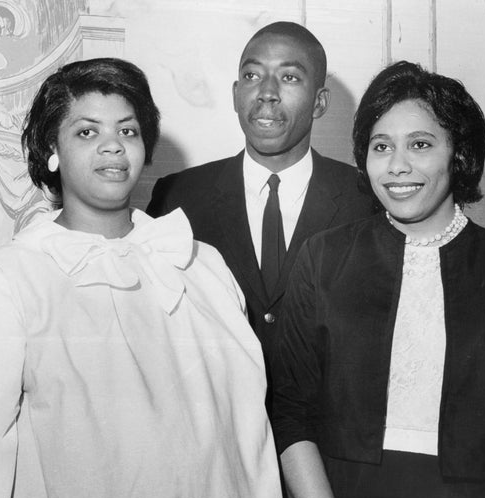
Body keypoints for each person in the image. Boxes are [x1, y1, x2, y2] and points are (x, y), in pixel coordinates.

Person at [0, 57, 284, 498]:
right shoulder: (9, 280)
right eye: (87, 132)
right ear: (52, 150)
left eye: (127, 131)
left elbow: (249, 443)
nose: (112, 147)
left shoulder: (201, 266)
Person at [270, 60, 485, 498]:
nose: (397, 166)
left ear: (460, 155)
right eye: (381, 146)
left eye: (421, 145)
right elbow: (290, 412)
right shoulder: (322, 258)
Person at [147, 21, 374, 368]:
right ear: (236, 94)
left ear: (320, 102)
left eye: (289, 77)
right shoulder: (178, 197)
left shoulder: (366, 199)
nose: (267, 92)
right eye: (253, 76)